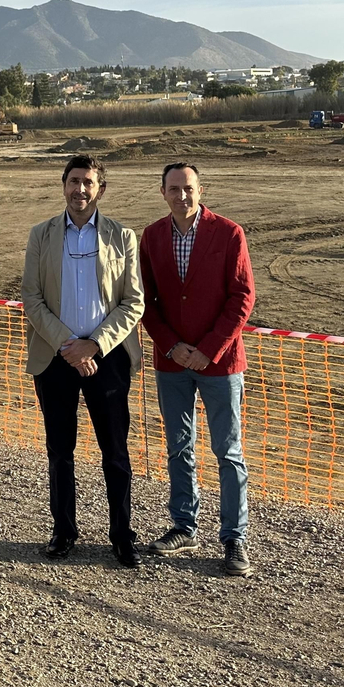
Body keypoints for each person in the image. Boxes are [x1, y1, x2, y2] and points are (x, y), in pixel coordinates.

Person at [21, 155, 145, 567]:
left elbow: (133, 303)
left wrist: (93, 345)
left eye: (88, 182)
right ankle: (63, 531)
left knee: (115, 451)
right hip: (55, 359)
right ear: (63, 185)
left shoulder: (122, 237)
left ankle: (122, 534)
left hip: (106, 359)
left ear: (101, 189)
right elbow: (32, 299)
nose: (80, 190)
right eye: (74, 181)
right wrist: (67, 345)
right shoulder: (41, 235)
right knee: (60, 450)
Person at [139, 162, 257, 577]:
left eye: (188, 189)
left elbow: (242, 298)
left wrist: (207, 350)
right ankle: (184, 526)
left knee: (227, 451)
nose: (181, 196)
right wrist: (172, 346)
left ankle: (233, 537)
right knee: (178, 446)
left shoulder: (228, 233)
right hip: (172, 363)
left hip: (220, 364)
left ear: (200, 189)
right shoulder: (151, 237)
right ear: (163, 192)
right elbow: (145, 301)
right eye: (174, 189)